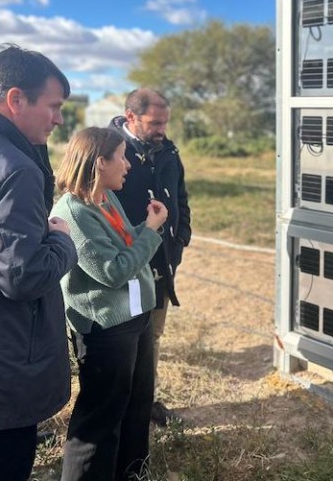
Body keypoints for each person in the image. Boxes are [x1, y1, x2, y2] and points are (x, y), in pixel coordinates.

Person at [0, 45, 78, 481]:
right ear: (16, 99)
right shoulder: (14, 167)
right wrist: (63, 242)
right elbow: (21, 275)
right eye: (54, 106)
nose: (59, 119)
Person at [51, 127, 168, 481]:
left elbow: (123, 240)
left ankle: (133, 473)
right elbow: (113, 272)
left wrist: (144, 228)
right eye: (121, 156)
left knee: (137, 402)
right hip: (106, 327)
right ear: (100, 162)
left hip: (135, 317)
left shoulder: (102, 197)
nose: (128, 164)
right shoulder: (73, 211)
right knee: (101, 418)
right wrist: (151, 230)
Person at [109, 87, 191, 426]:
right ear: (131, 117)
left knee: (153, 335)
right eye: (155, 123)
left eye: (165, 123)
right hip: (122, 264)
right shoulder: (107, 149)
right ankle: (117, 402)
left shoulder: (168, 151)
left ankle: (147, 400)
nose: (162, 130)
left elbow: (181, 197)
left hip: (160, 263)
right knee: (122, 337)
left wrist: (181, 236)